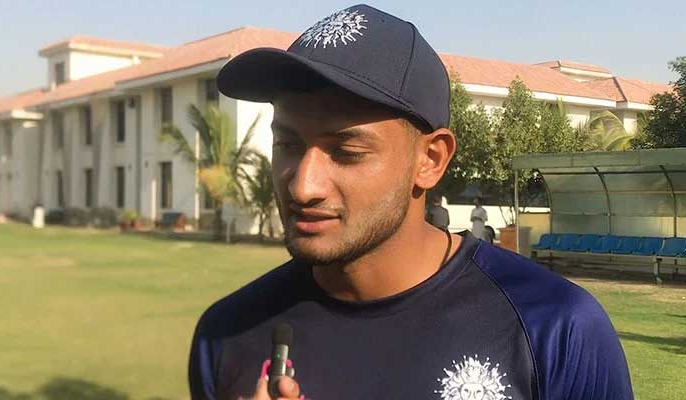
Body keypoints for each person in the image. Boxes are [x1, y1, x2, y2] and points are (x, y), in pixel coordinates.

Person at [189, 4, 633, 400]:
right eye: (288, 144)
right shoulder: (226, 335)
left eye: (346, 152)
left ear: (431, 160)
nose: (303, 187)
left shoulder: (555, 328)